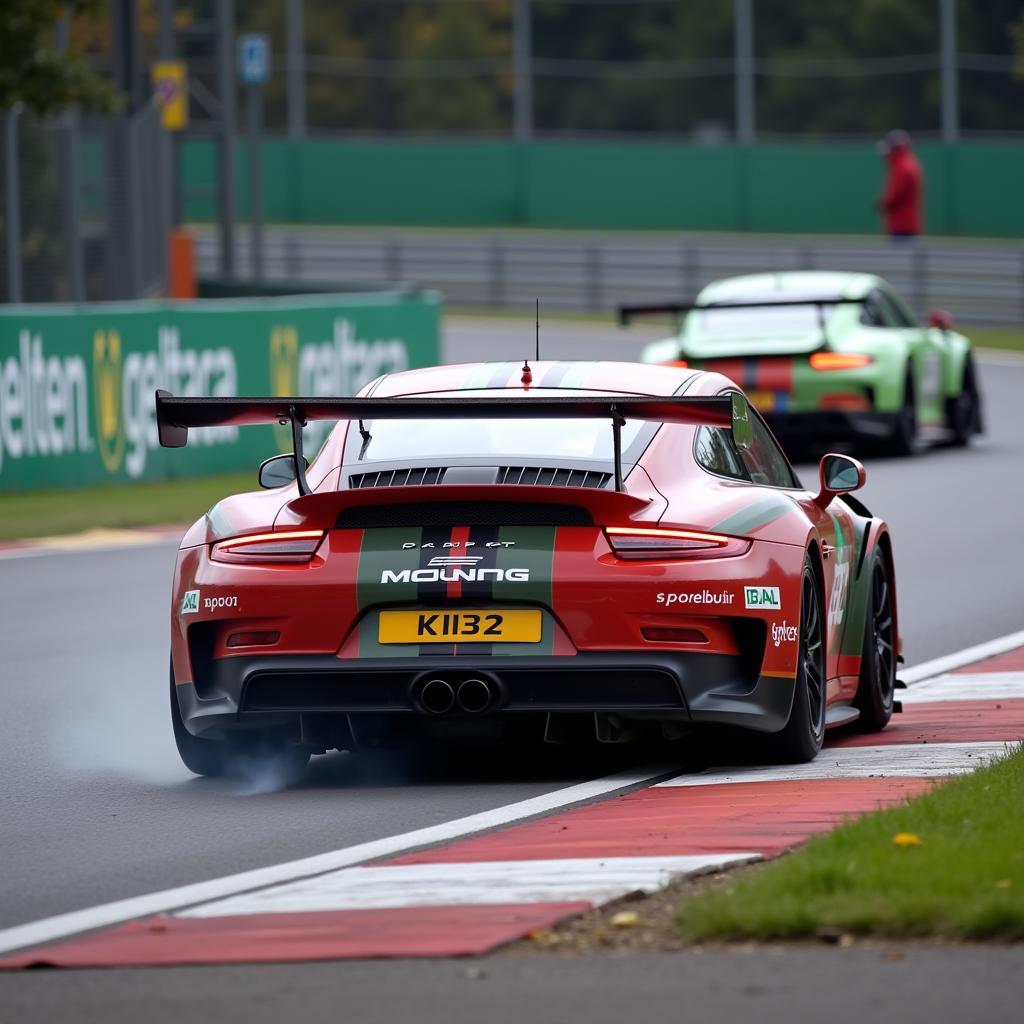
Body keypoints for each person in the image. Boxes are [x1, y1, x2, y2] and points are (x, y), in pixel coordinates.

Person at [876, 129, 923, 240]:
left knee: (900, 255)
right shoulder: (910, 164)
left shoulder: (902, 167)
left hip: (901, 226)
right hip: (908, 224)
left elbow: (894, 197)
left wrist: (882, 203)